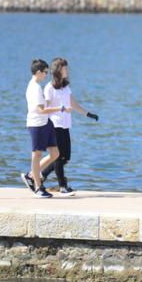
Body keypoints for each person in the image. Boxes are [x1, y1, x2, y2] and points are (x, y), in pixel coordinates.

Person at [39, 57, 99, 194]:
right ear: (57, 70)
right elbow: (44, 109)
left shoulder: (65, 87)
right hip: (54, 125)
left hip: (65, 125)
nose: (67, 70)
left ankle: (42, 175)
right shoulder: (49, 88)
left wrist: (88, 114)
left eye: (67, 68)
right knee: (59, 156)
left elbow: (73, 104)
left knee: (65, 157)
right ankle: (62, 186)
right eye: (65, 68)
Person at [21, 58, 64, 199]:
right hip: (37, 124)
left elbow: (43, 107)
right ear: (38, 72)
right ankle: (38, 187)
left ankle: (31, 175)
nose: (46, 75)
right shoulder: (35, 88)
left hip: (46, 123)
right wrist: (60, 108)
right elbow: (41, 110)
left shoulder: (36, 86)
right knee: (37, 154)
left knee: (55, 153)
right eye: (45, 72)